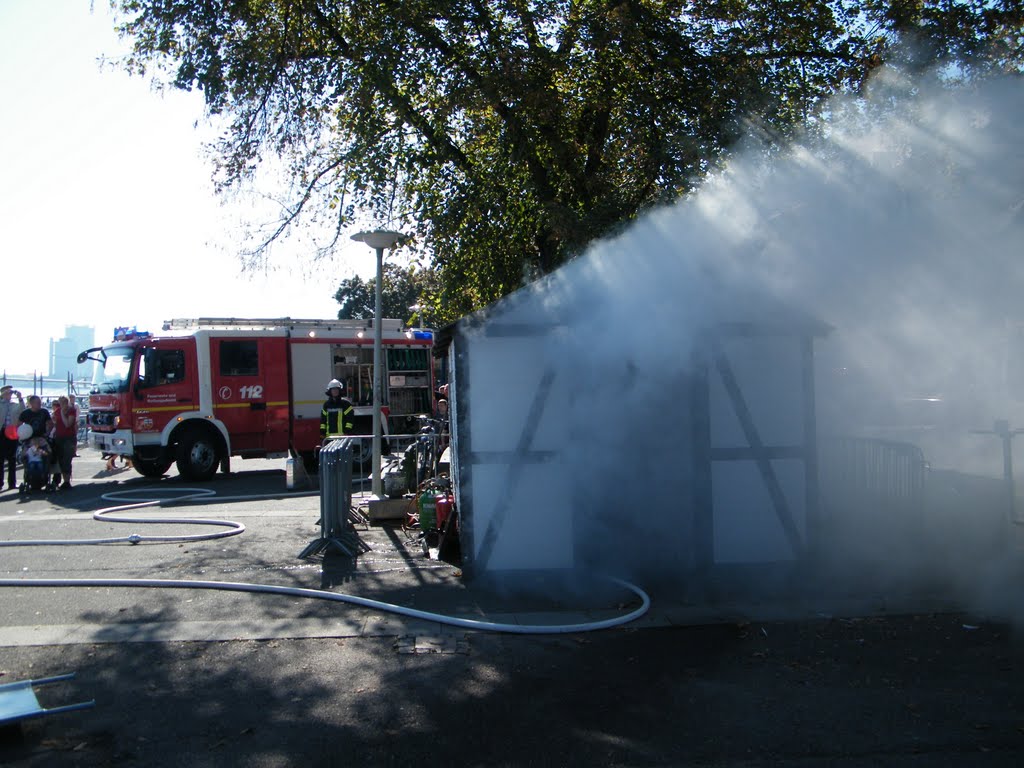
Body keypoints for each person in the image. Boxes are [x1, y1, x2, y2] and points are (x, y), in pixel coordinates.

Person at [0, 385, 25, 490]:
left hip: (12, 432)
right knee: (0, 458)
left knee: (12, 458)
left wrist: (20, 398)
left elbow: (23, 410)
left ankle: (12, 483)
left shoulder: (14, 405)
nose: (9, 394)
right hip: (1, 432)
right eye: (7, 392)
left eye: (10, 393)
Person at [52, 395, 78, 489]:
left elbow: (68, 424)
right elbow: (53, 423)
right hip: (59, 437)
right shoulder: (57, 411)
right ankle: (57, 480)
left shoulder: (71, 411)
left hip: (69, 438)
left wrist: (62, 413)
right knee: (59, 458)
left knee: (67, 459)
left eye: (63, 402)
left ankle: (67, 481)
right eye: (60, 402)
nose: (62, 404)